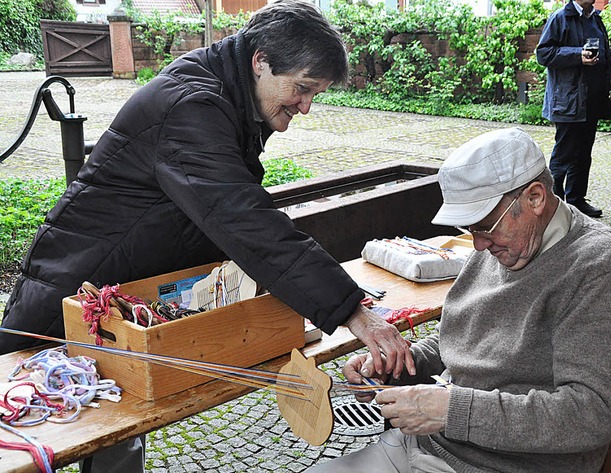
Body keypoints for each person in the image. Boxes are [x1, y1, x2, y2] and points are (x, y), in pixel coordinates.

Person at [0, 1, 414, 471]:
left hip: (124, 295)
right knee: (29, 429)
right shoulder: (192, 106)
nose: (306, 105)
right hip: (73, 287)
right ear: (260, 61)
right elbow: (243, 218)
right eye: (301, 89)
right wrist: (349, 310)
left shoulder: (228, 90)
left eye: (314, 92)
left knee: (117, 420)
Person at [307, 127, 611, 473]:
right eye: (469, 230)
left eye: (484, 226)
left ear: (536, 198)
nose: (478, 245)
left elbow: (589, 413)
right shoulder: (501, 245)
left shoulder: (601, 268)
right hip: (423, 446)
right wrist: (399, 366)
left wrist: (448, 410)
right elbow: (463, 337)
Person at [536, 0, 611, 218]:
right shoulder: (561, 17)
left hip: (591, 101)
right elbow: (544, 53)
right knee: (564, 154)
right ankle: (554, 205)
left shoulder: (595, 19)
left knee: (583, 154)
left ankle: (577, 200)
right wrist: (577, 54)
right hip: (569, 100)